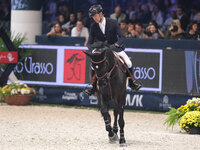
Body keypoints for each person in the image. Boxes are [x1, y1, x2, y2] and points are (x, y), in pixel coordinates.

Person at [84, 4, 142, 96]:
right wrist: (93, 51)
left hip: (114, 48)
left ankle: (132, 81)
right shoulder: (93, 26)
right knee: (93, 65)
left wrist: (116, 45)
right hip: (101, 50)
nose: (94, 18)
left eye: (95, 16)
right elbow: (89, 43)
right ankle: (92, 86)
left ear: (101, 13)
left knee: (128, 62)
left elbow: (122, 37)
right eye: (92, 17)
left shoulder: (113, 22)